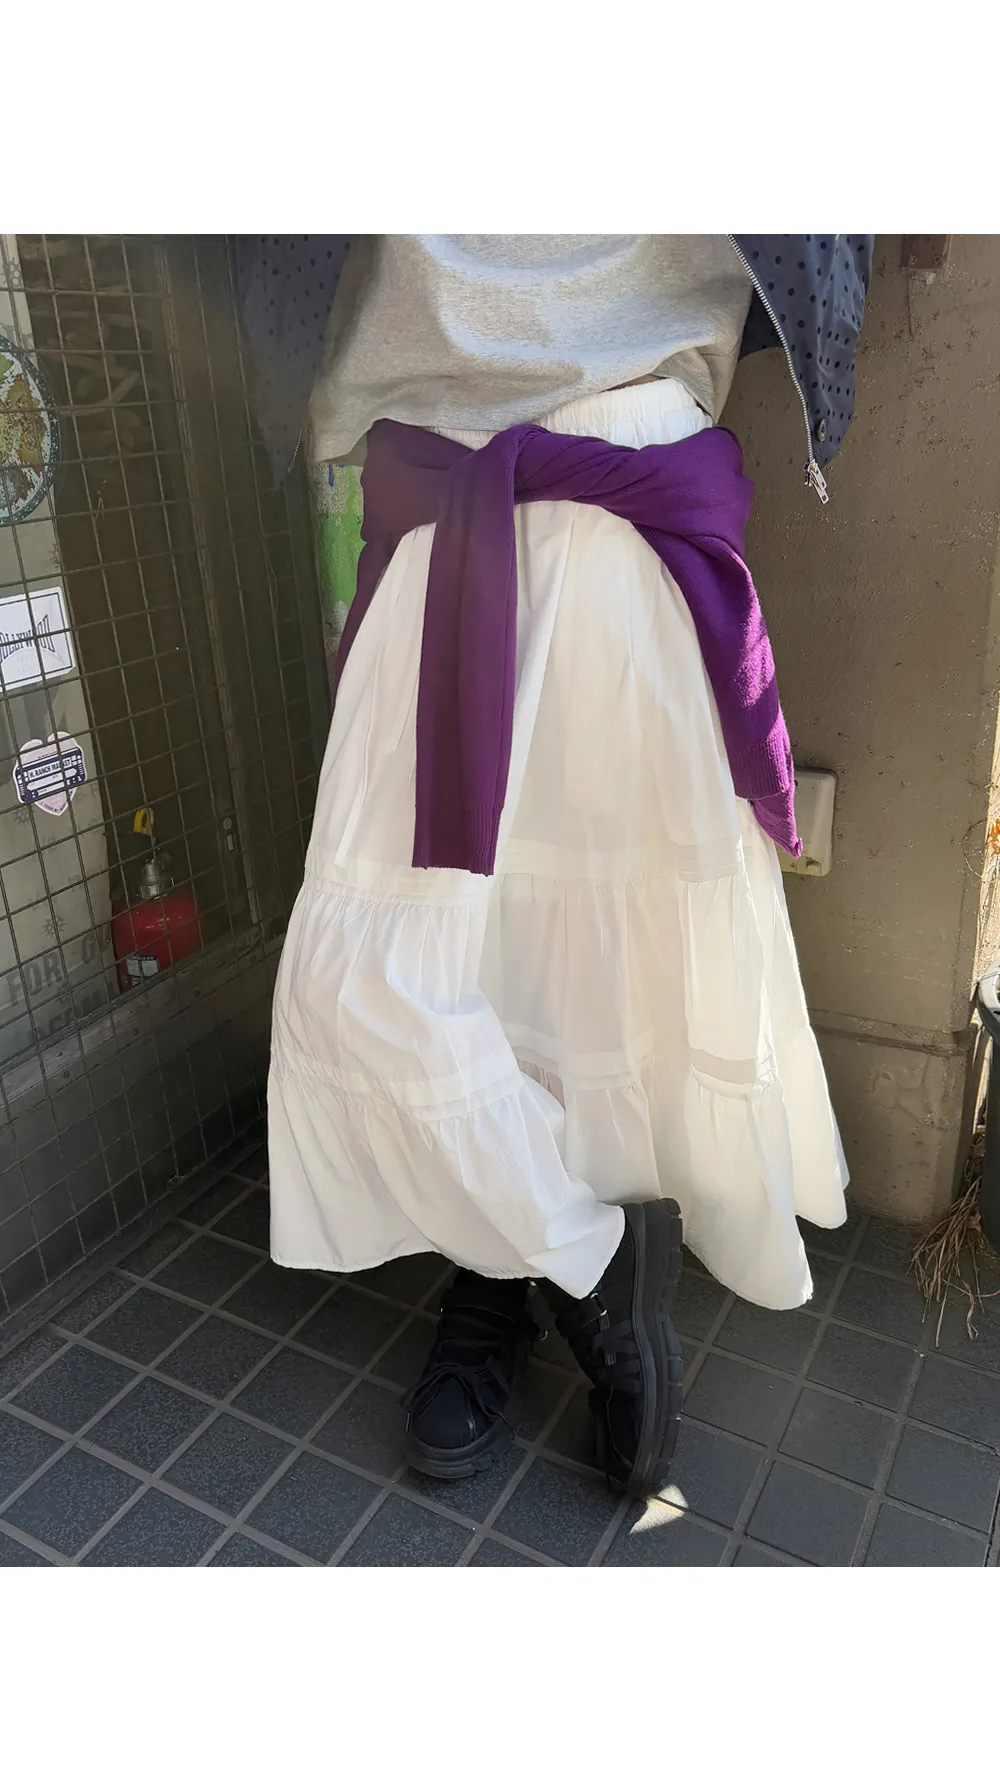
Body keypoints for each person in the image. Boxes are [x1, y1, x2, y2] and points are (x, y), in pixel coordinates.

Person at [236, 235, 873, 1496]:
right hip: (436, 497)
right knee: (371, 976)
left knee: (604, 967)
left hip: (631, 494)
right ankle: (577, 1258)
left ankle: (522, 1264)